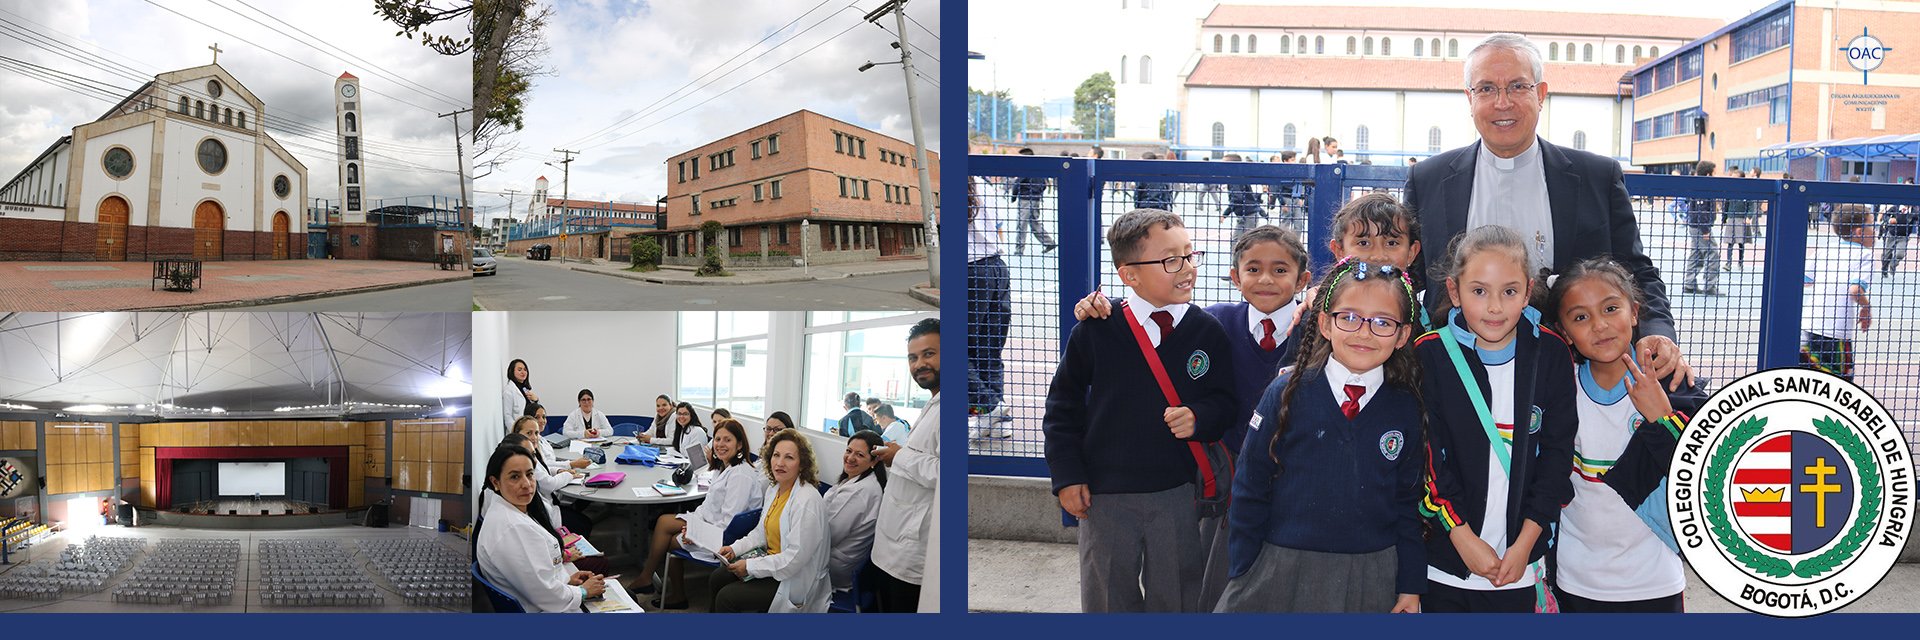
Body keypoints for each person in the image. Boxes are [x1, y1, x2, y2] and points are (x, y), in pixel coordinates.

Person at [1405, 32, 1690, 390]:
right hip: (1455, 377)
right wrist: (1332, 295)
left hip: (1569, 377)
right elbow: (1405, 275)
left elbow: (1636, 271)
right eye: (1487, 89)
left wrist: (1659, 332)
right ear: (1470, 99)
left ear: (1540, 95)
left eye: (1518, 87)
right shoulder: (1428, 179)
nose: (1503, 102)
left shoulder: (1596, 177)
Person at [1068, 224, 1314, 610]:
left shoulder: (1322, 330)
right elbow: (1065, 403)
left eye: (1281, 270)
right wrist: (1098, 305)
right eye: (1253, 268)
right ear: (1234, 276)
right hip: (1226, 486)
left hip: (1295, 484)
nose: (1266, 279)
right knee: (1207, 585)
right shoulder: (1214, 323)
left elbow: (1216, 401)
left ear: (1303, 279)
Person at [1043, 209, 1238, 613]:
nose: (1186, 269)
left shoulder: (1207, 331)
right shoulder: (1097, 327)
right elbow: (1062, 406)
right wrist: (1067, 475)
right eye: (1170, 260)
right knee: (1107, 596)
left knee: (1179, 596)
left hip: (1177, 495)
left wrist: (1200, 418)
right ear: (1129, 275)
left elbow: (1225, 402)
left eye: (1190, 254)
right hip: (1104, 496)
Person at [1217, 258, 1425, 613]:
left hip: (1370, 576)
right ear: (1326, 323)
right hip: (1280, 570)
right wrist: (1244, 569)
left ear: (1403, 335)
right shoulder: (1286, 393)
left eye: (1383, 322)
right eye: (1349, 317)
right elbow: (1250, 486)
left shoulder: (1406, 408)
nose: (1364, 332)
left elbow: (1408, 503)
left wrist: (1409, 584)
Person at [1416, 225, 1577, 613]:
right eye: (1478, 291)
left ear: (1528, 290)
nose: (1494, 307)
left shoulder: (1551, 353)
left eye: (1509, 291)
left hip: (1521, 566)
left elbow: (1557, 459)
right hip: (1446, 566)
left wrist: (1524, 545)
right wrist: (1462, 537)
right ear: (1454, 291)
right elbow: (1426, 462)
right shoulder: (1429, 355)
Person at [1545, 257, 1707, 613]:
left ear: (1635, 312)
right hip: (1575, 580)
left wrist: (1662, 416)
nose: (1600, 325)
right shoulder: (1556, 388)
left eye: (1611, 308)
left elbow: (1706, 481)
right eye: (1581, 317)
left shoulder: (1675, 387)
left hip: (1655, 582)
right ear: (1564, 330)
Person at [630, 418, 763, 608]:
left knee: (671, 540)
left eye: (727, 440)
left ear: (740, 444)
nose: (720, 445)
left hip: (723, 537)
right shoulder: (725, 467)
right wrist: (693, 522)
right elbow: (707, 507)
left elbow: (728, 522)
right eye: (717, 439)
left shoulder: (740, 474)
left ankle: (671, 592)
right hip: (710, 524)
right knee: (663, 522)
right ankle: (647, 579)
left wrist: (696, 533)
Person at [708, 430, 833, 613]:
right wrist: (735, 548)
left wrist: (751, 567)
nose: (780, 463)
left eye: (789, 457)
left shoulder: (807, 500)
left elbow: (794, 559)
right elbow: (760, 533)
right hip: (772, 563)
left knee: (727, 598)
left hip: (792, 578)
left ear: (802, 464)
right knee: (717, 577)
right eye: (776, 455)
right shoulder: (775, 489)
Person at [475, 443, 606, 613]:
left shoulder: (512, 510)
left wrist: (566, 579)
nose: (526, 484)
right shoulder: (513, 527)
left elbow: (536, 578)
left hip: (545, 599)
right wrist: (583, 591)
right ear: (495, 482)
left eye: (529, 474)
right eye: (515, 477)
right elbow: (545, 595)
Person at [870, 318, 942, 612]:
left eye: (929, 354)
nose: (919, 364)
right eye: (913, 358)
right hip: (890, 547)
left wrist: (898, 456)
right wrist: (896, 455)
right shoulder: (932, 402)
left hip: (909, 556)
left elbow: (942, 472)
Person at [502, 430, 605, 574]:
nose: (534, 437)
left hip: (552, 543)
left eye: (536, 432)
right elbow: (538, 564)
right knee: (599, 559)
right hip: (552, 561)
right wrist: (565, 556)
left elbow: (545, 467)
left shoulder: (528, 471)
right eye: (528, 432)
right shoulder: (514, 513)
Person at [1802, 204, 1876, 382]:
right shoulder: (1865, 256)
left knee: (1808, 380)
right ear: (1859, 232)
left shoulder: (1825, 250)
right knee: (1840, 385)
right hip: (1836, 332)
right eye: (1872, 225)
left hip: (1809, 324)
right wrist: (1867, 307)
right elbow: (1855, 290)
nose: (1875, 230)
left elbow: (1804, 280)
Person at [969, 167, 1013, 440]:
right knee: (989, 351)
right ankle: (994, 423)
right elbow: (999, 232)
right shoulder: (985, 186)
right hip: (996, 268)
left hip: (969, 271)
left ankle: (991, 408)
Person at [824, 432, 886, 594]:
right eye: (848, 451)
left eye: (859, 455)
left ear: (874, 460)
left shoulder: (859, 492)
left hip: (835, 568)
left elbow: (828, 535)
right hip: (846, 560)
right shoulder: (863, 480)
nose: (850, 458)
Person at [1684, 160, 1724, 295]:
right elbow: (1702, 210)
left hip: (1695, 225)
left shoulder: (1696, 185)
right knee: (1712, 252)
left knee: (1696, 253)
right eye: (1714, 173)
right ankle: (1709, 285)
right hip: (1700, 226)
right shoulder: (1703, 188)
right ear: (1708, 175)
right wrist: (1705, 229)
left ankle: (1689, 283)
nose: (1715, 175)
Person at [1010, 148, 1056, 255]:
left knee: (1022, 224)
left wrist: (1014, 196)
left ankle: (1019, 249)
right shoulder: (1038, 168)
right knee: (1034, 222)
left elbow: (1017, 183)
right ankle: (1049, 242)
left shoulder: (1024, 169)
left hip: (1025, 199)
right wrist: (1037, 193)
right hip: (1035, 199)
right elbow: (1044, 185)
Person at [1723, 168, 1758, 271]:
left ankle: (1740, 262)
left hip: (1741, 219)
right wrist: (1724, 219)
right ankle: (1728, 262)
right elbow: (1726, 205)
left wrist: (1748, 217)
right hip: (1731, 218)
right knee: (1730, 242)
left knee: (1741, 242)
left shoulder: (1746, 190)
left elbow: (1751, 205)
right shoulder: (1730, 190)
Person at [1222, 153, 1262, 235]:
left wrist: (1225, 214)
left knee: (1245, 240)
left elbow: (1237, 198)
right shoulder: (1239, 176)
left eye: (1224, 163)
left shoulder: (1234, 178)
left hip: (1247, 214)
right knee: (1237, 240)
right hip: (1246, 213)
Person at [1881, 185, 1913, 278]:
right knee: (1887, 253)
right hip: (1892, 234)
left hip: (1903, 236)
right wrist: (1889, 220)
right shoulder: (1895, 208)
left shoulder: (1913, 211)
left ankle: (1893, 265)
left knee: (1900, 253)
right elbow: (1885, 215)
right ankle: (1884, 269)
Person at [503, 359, 538, 431]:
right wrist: (518, 432)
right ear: (511, 371)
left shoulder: (525, 390)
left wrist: (536, 400)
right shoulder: (509, 391)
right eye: (519, 370)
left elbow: (535, 411)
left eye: (525, 369)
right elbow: (507, 417)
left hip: (530, 429)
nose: (523, 372)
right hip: (518, 433)